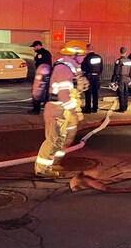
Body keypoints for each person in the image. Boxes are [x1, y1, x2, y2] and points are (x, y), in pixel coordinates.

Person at [34, 40, 89, 178]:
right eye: (81, 54)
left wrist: (82, 83)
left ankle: (51, 164)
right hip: (55, 108)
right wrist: (73, 112)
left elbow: (73, 87)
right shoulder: (64, 68)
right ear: (74, 54)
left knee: (59, 140)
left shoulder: (71, 66)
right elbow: (64, 95)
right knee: (53, 140)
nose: (84, 57)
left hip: (60, 109)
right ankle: (42, 169)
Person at [29, 40, 52, 114]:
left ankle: (36, 110)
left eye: (34, 47)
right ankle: (46, 107)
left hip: (42, 75)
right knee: (45, 92)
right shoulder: (47, 52)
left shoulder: (41, 53)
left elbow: (40, 64)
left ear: (38, 45)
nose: (34, 49)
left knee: (37, 92)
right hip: (47, 74)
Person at [80, 43, 103, 113]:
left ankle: (88, 109)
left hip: (89, 77)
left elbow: (83, 69)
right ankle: (95, 108)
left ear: (87, 49)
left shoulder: (87, 58)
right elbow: (101, 68)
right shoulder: (99, 57)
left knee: (88, 93)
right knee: (95, 93)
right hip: (97, 77)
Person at [111, 47, 131, 112]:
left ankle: (122, 108)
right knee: (126, 93)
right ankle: (125, 107)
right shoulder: (130, 61)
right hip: (127, 78)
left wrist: (113, 80)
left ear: (120, 52)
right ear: (126, 52)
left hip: (121, 78)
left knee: (121, 93)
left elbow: (116, 71)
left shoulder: (119, 61)